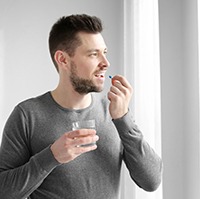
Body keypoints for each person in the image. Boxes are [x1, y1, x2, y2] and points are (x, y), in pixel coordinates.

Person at [0, 14, 162, 199]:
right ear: (63, 60)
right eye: (94, 54)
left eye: (105, 53)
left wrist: (123, 119)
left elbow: (151, 181)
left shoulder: (114, 113)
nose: (105, 63)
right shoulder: (27, 115)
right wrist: (52, 156)